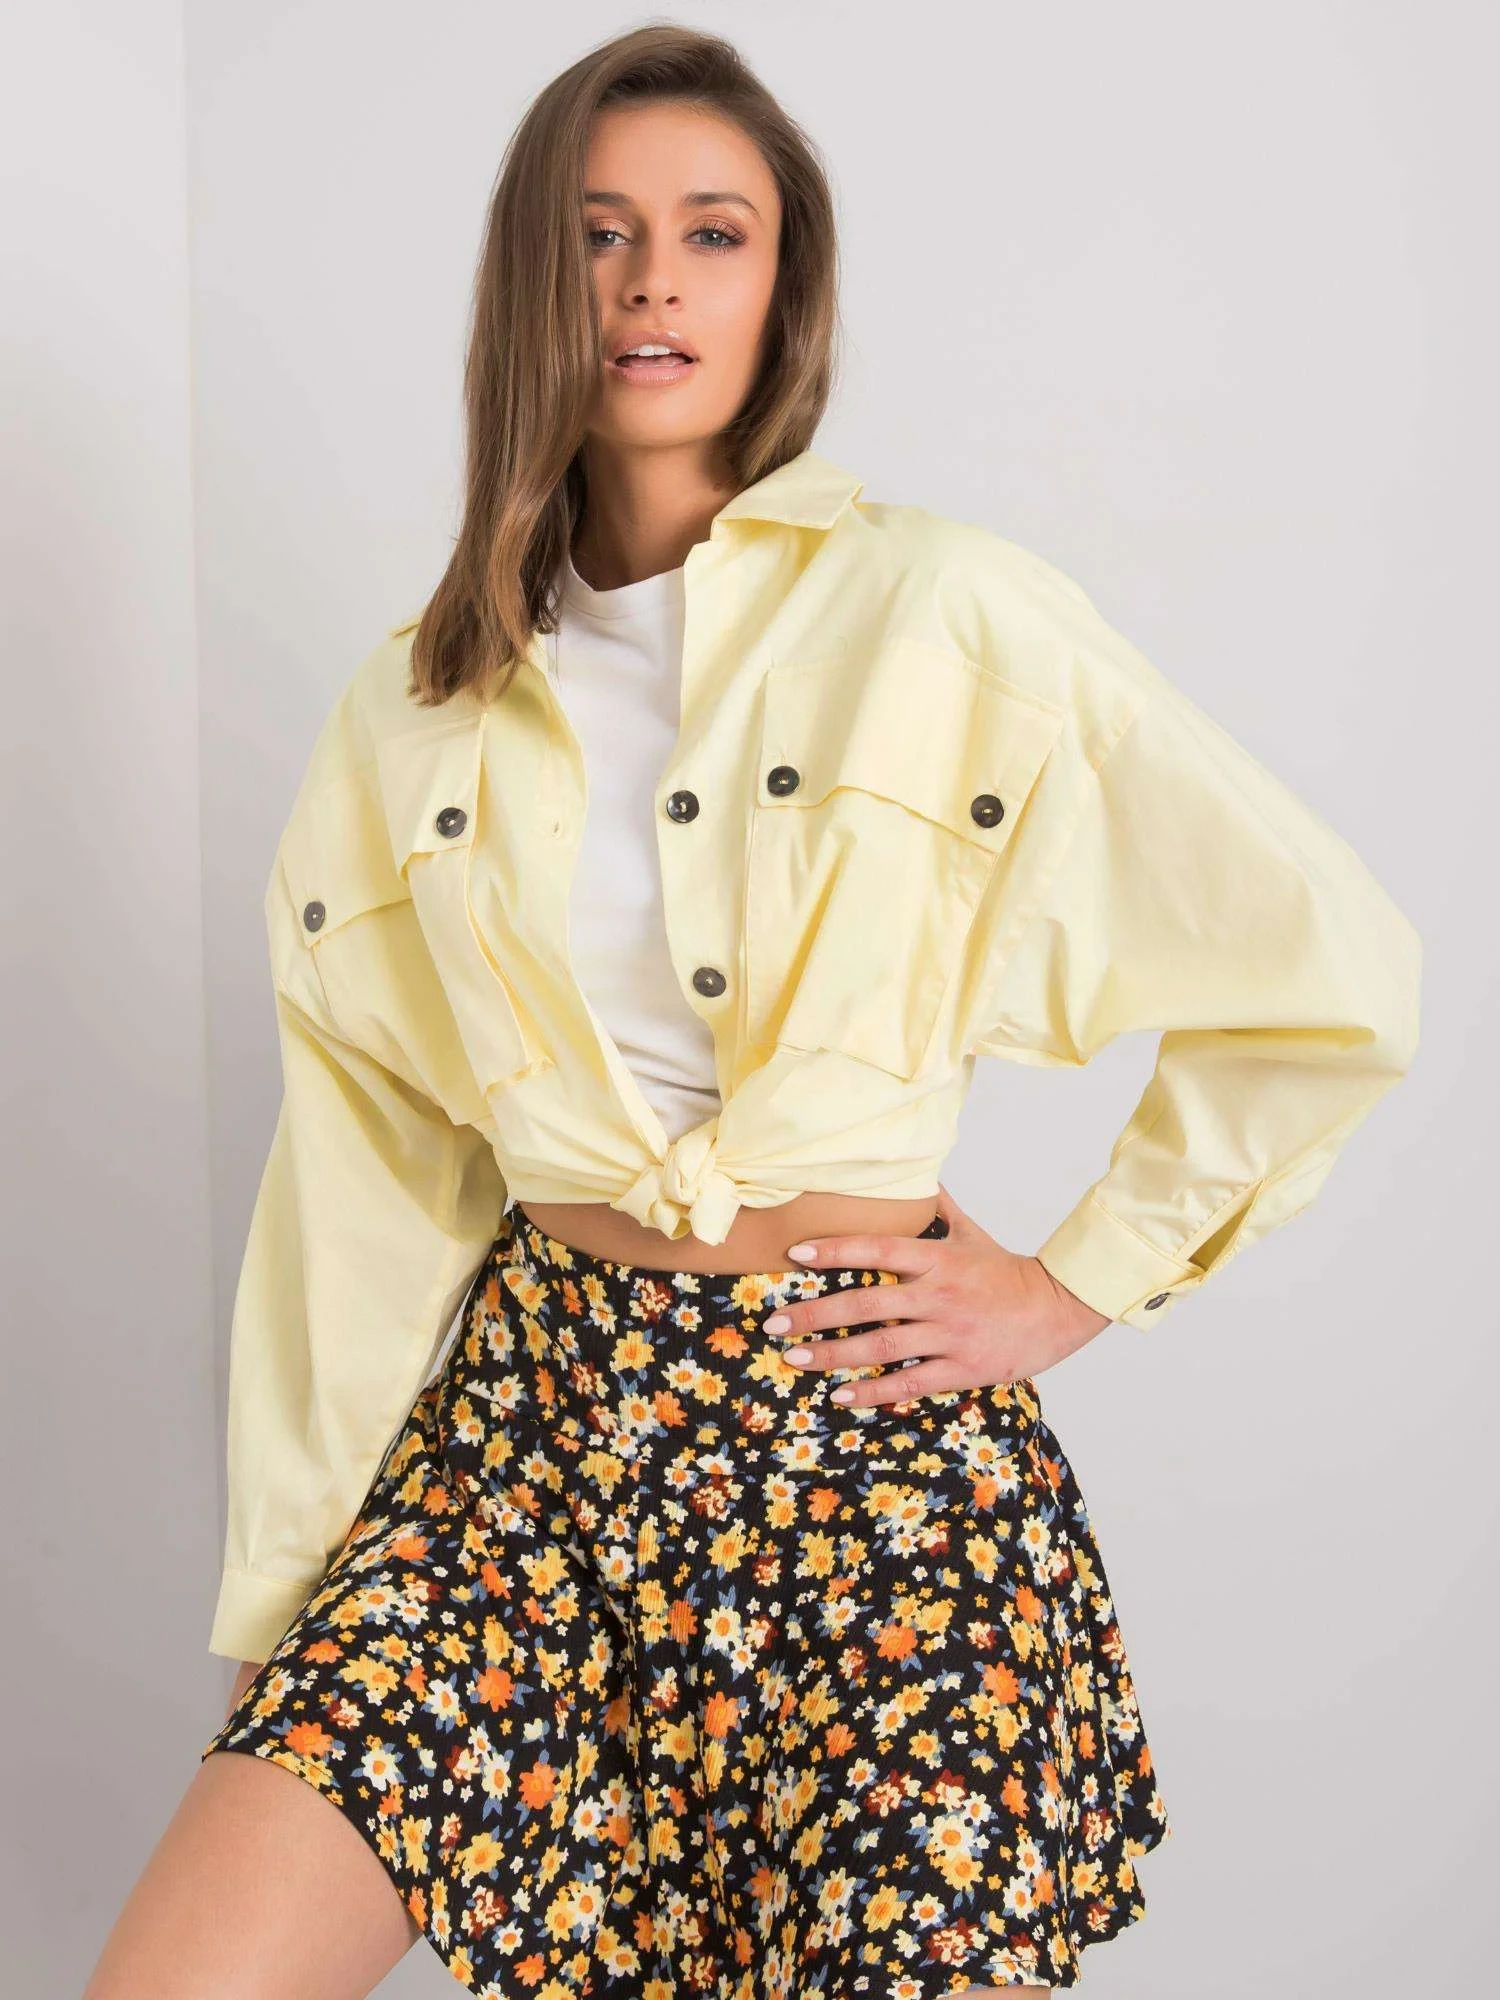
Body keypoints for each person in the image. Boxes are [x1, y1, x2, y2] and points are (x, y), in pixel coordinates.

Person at [83, 23, 1421, 2000]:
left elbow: (1328, 971)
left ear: (784, 287)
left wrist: (1075, 1282)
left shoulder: (944, 614)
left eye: (714, 233)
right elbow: (359, 1202)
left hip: (868, 1457)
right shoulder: (414, 711)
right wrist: (295, 1602)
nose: (653, 282)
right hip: (526, 1452)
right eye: (600, 232)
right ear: (533, 278)